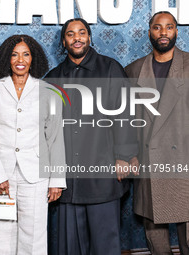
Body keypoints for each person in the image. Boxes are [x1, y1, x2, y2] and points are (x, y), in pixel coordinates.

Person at [45, 18, 138, 255]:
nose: (77, 38)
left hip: (103, 173)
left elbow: (126, 113)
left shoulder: (110, 69)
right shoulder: (53, 78)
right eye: (70, 34)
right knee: (71, 247)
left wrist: (124, 156)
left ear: (89, 37)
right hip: (69, 179)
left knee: (105, 243)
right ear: (63, 42)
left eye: (82, 32)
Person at [0, 34, 66, 255]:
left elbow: (55, 138)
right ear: (6, 58)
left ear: (33, 58)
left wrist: (56, 179)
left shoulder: (49, 92)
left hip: (35, 175)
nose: (20, 59)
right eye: (15, 54)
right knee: (4, 238)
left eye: (26, 54)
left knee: (34, 237)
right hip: (2, 177)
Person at [125, 11, 189, 255]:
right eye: (157, 27)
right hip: (149, 162)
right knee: (156, 239)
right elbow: (126, 121)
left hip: (185, 161)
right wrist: (130, 153)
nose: (163, 33)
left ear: (176, 31)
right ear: (149, 31)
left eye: (169, 27)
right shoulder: (133, 70)